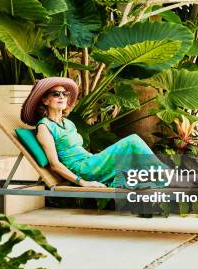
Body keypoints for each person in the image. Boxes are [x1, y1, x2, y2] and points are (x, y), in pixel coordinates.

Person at [20, 77, 170, 189]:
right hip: (83, 170)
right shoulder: (44, 127)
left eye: (64, 94)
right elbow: (54, 164)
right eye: (55, 94)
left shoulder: (69, 123)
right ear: (45, 100)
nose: (61, 96)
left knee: (138, 170)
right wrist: (83, 182)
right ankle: (171, 177)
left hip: (92, 161)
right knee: (133, 141)